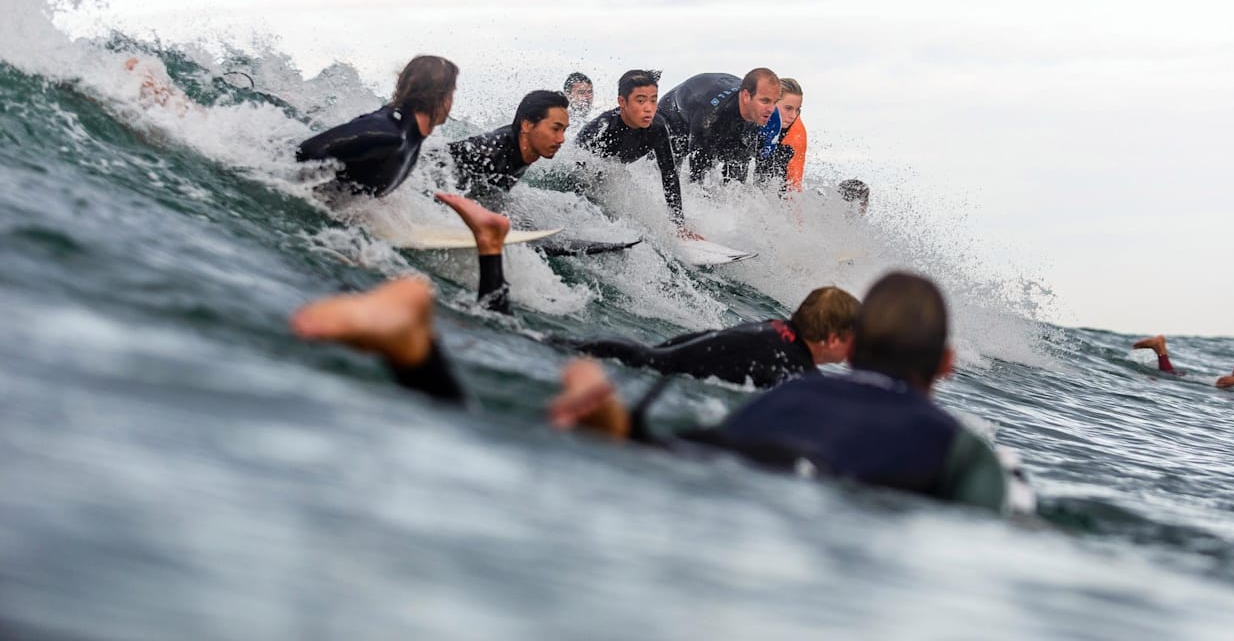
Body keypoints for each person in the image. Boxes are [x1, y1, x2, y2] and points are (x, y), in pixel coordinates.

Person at [293, 267, 1030, 515]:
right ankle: (416, 349)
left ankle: (416, 347)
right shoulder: (959, 442)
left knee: (633, 447)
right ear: (947, 365)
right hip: (798, 489)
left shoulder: (789, 393)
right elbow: (1009, 522)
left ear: (857, 347)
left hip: (727, 446)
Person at [564, 286, 857, 388]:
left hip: (644, 353)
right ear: (832, 339)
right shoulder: (798, 371)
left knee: (650, 357)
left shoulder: (775, 327)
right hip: (641, 366)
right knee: (649, 362)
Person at [295, 55, 458, 198]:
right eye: (452, 93)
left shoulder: (409, 135)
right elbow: (306, 151)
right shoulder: (387, 133)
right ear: (441, 97)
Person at [574, 70, 698, 235]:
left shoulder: (658, 128)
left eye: (653, 100)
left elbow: (669, 175)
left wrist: (679, 224)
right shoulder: (603, 129)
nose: (649, 108)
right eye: (640, 101)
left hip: (609, 174)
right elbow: (578, 174)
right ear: (622, 102)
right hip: (579, 175)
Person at [657, 69, 781, 184]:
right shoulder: (710, 116)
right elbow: (695, 183)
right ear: (746, 97)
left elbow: (763, 175)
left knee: (737, 181)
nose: (771, 109)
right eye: (765, 101)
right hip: (674, 116)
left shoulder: (771, 119)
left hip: (728, 115)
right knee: (669, 174)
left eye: (775, 102)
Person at [447, 89, 569, 203]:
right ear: (527, 125)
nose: (561, 139)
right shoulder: (493, 154)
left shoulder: (524, 147)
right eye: (555, 129)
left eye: (563, 130)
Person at [1131, 335, 1234, 395]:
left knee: (1178, 375)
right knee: (1172, 377)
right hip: (1226, 386)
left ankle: (1159, 349)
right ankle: (1160, 348)